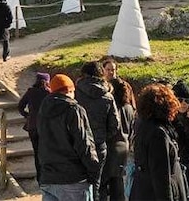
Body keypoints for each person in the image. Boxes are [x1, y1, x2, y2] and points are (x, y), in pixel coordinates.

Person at [37, 74, 101, 201]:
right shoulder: (74, 109)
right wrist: (94, 172)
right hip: (74, 178)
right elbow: (84, 143)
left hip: (48, 177)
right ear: (70, 90)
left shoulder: (43, 111)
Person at [129, 83, 188, 201]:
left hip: (143, 191)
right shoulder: (158, 134)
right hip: (155, 194)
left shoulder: (144, 125)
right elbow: (161, 175)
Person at [75, 61, 122, 200]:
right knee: (97, 183)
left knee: (77, 183)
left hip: (78, 143)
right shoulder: (108, 96)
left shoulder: (75, 93)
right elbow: (115, 124)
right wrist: (103, 136)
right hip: (99, 144)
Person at [102, 77, 135, 201]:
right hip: (124, 147)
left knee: (104, 184)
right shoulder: (129, 108)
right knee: (118, 184)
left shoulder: (111, 107)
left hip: (111, 146)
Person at [19, 72, 51, 183]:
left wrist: (28, 116)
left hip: (32, 126)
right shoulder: (49, 93)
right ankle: (47, 176)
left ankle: (39, 178)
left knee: (37, 152)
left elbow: (20, 107)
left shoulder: (30, 92)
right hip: (46, 127)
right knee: (47, 152)